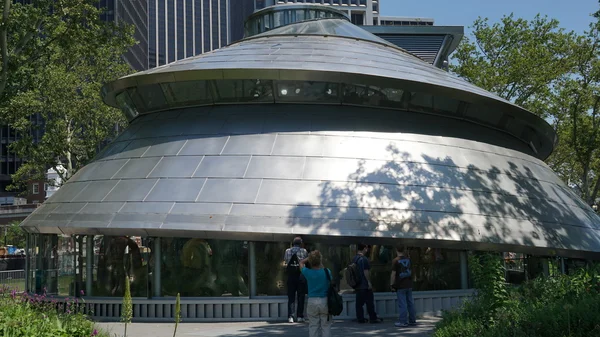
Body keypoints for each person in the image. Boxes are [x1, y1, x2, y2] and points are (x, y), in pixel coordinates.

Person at [300, 250, 332, 337]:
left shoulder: (308, 272)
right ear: (320, 260)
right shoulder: (327, 272)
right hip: (325, 300)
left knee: (313, 326)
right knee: (326, 326)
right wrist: (319, 261)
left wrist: (309, 258)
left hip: (312, 300)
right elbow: (330, 281)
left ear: (310, 261)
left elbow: (301, 263)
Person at [353, 243, 383, 323]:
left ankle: (360, 318)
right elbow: (365, 271)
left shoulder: (354, 258)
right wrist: (369, 282)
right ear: (365, 248)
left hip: (357, 284)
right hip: (364, 284)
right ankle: (373, 318)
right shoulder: (364, 259)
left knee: (359, 303)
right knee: (370, 302)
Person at [284, 237, 308, 323]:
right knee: (301, 296)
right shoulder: (304, 251)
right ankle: (300, 316)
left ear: (293, 243)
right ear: (301, 243)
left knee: (291, 296)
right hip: (301, 275)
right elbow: (306, 261)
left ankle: (290, 316)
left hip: (291, 275)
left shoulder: (287, 251)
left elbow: (286, 261)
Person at [390, 245, 416, 327]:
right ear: (404, 250)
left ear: (396, 250)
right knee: (410, 303)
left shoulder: (395, 261)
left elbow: (393, 274)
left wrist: (391, 284)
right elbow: (412, 271)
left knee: (402, 304)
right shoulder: (408, 260)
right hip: (409, 284)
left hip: (400, 285)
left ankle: (403, 321)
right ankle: (412, 320)